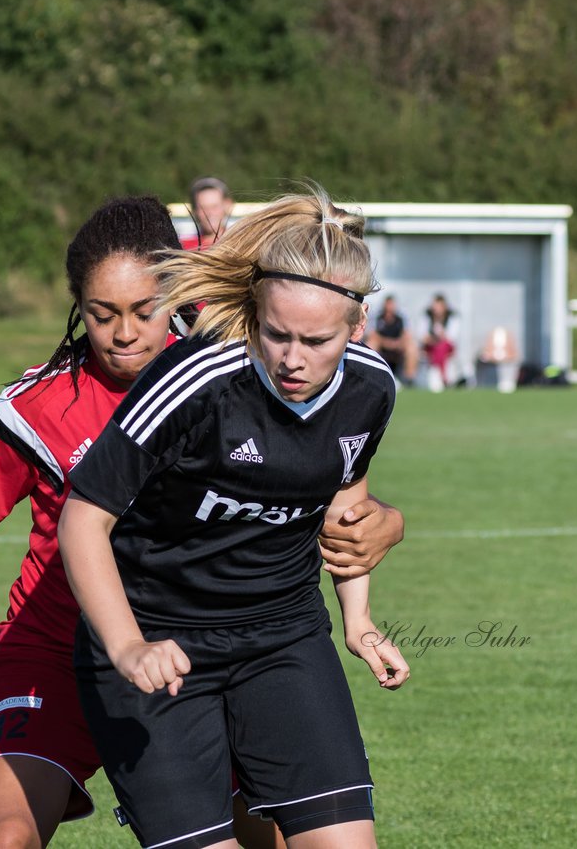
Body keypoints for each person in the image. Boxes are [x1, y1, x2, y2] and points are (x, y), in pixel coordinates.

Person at [0, 196, 406, 848]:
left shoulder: (241, 370)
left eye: (142, 311)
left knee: (265, 835)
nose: (124, 332)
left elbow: (329, 483)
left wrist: (385, 525)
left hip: (194, 645)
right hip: (56, 652)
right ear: (78, 307)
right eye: (102, 315)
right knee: (0, 840)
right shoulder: (42, 404)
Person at [59, 187, 410, 849]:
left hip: (282, 638)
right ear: (253, 313)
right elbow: (82, 519)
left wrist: (358, 621)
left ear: (358, 325)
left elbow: (346, 504)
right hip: (161, 646)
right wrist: (128, 644)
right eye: (275, 334)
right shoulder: (193, 382)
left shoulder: (371, 388)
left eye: (317, 340)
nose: (293, 358)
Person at [366, 295, 418, 387]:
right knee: (371, 344)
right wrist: (386, 343)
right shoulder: (378, 317)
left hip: (398, 346)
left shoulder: (401, 318)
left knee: (412, 347)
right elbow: (372, 334)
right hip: (382, 345)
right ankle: (370, 376)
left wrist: (397, 343)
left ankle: (410, 380)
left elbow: (407, 334)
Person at [181, 176, 235, 250]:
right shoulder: (182, 249)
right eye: (203, 208)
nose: (210, 213)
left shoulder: (240, 244)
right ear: (194, 210)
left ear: (228, 205)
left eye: (214, 206)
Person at [421, 293, 458, 392]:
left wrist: (440, 336)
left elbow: (451, 338)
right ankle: (441, 377)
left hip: (445, 349)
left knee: (441, 347)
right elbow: (422, 337)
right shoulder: (427, 318)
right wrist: (434, 340)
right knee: (437, 348)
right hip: (430, 348)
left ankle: (442, 377)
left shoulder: (452, 318)